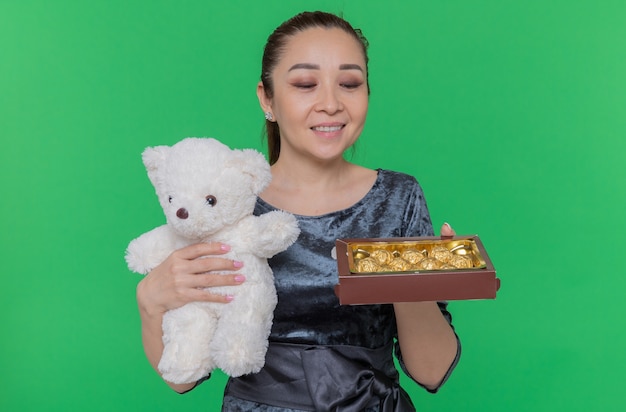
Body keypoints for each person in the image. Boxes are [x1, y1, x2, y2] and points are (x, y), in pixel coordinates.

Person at [136, 11, 461, 411]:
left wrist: (416, 283)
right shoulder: (226, 206)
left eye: (349, 83)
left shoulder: (398, 197)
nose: (330, 103)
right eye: (306, 84)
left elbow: (432, 371)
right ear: (267, 98)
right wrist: (150, 300)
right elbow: (181, 379)